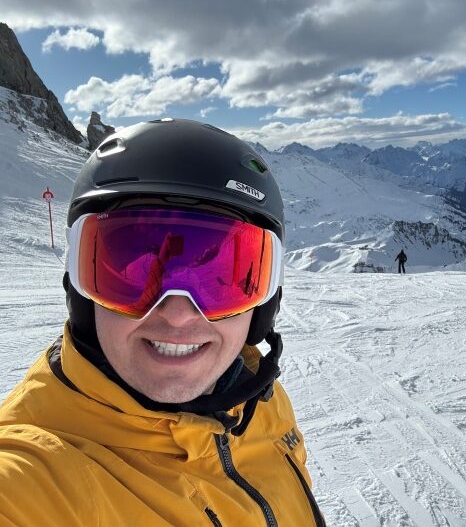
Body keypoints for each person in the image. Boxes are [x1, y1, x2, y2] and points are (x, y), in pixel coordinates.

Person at [0, 119, 325, 526]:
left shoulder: (259, 402)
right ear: (82, 291)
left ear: (263, 305)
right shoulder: (36, 480)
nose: (176, 314)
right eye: (130, 273)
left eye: (224, 278)